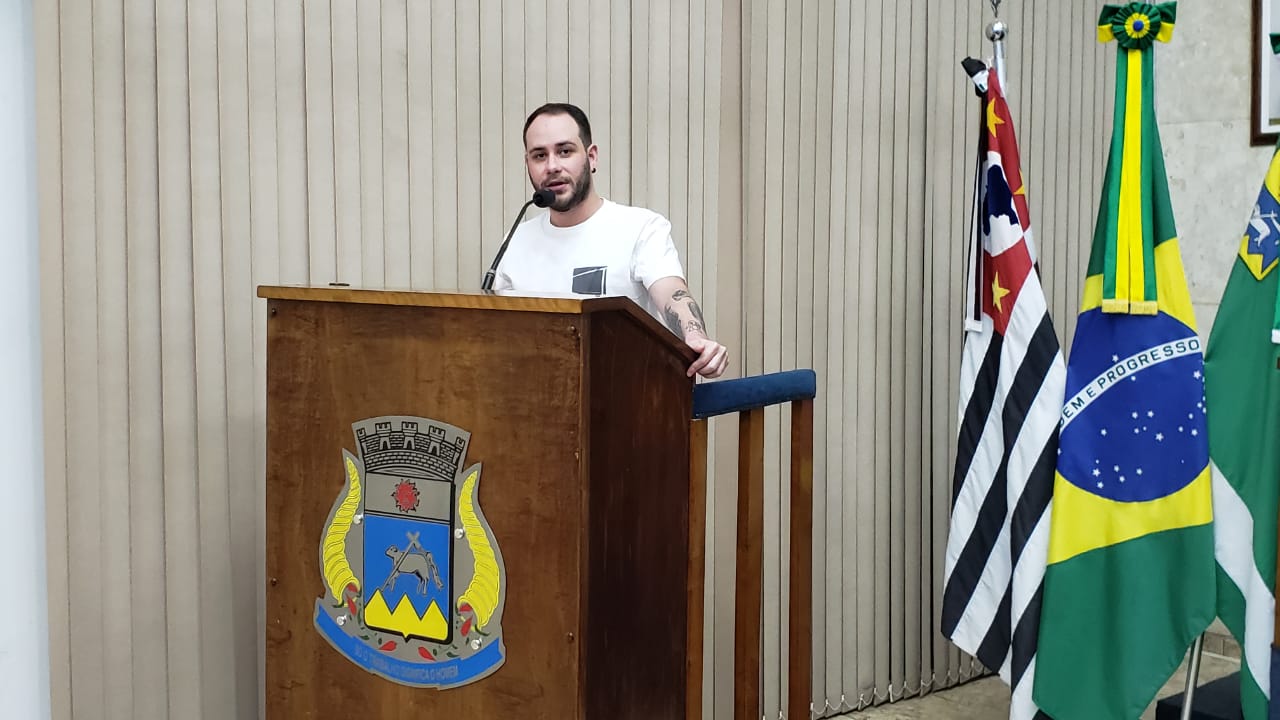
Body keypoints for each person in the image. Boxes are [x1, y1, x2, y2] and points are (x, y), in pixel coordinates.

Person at [493, 103, 729, 379]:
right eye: (539, 156)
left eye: (565, 151)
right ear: (528, 165)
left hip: (621, 392)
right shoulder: (516, 239)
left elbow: (671, 293)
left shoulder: (641, 227)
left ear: (591, 157)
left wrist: (696, 338)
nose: (552, 166)